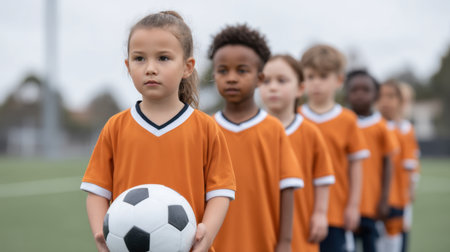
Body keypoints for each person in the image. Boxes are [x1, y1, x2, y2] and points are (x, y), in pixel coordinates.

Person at [80, 11, 236, 252]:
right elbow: (97, 192)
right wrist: (102, 233)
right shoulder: (116, 127)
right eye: (139, 58)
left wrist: (207, 236)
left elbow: (221, 192)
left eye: (163, 58)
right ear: (127, 66)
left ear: (187, 67)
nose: (150, 68)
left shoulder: (206, 128)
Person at [209, 24, 304, 252]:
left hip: (265, 243)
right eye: (223, 71)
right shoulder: (206, 128)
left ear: (260, 78)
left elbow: (287, 188)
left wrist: (285, 242)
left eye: (242, 71)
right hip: (215, 244)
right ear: (214, 75)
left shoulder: (273, 128)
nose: (231, 78)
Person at [298, 44, 370, 252]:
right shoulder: (294, 117)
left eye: (323, 76)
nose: (316, 83)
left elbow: (356, 167)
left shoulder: (348, 120)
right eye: (310, 76)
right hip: (298, 212)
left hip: (335, 214)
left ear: (338, 80)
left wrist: (353, 206)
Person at [259, 54, 335, 252]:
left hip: (300, 230)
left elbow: (323, 177)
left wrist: (320, 213)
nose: (273, 87)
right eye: (266, 81)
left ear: (300, 88)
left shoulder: (310, 132)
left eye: (282, 80)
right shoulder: (253, 131)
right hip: (259, 228)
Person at [344, 70, 398, 252]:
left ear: (375, 94)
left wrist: (384, 199)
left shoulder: (381, 125)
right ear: (346, 93)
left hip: (371, 204)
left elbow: (388, 163)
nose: (360, 94)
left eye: (365, 89)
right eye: (354, 89)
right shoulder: (342, 121)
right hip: (344, 204)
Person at [377, 80, 420, 252]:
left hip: (398, 197)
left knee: (396, 238)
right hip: (376, 196)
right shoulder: (377, 126)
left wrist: (409, 190)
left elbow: (410, 164)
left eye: (392, 97)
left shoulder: (406, 129)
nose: (387, 102)